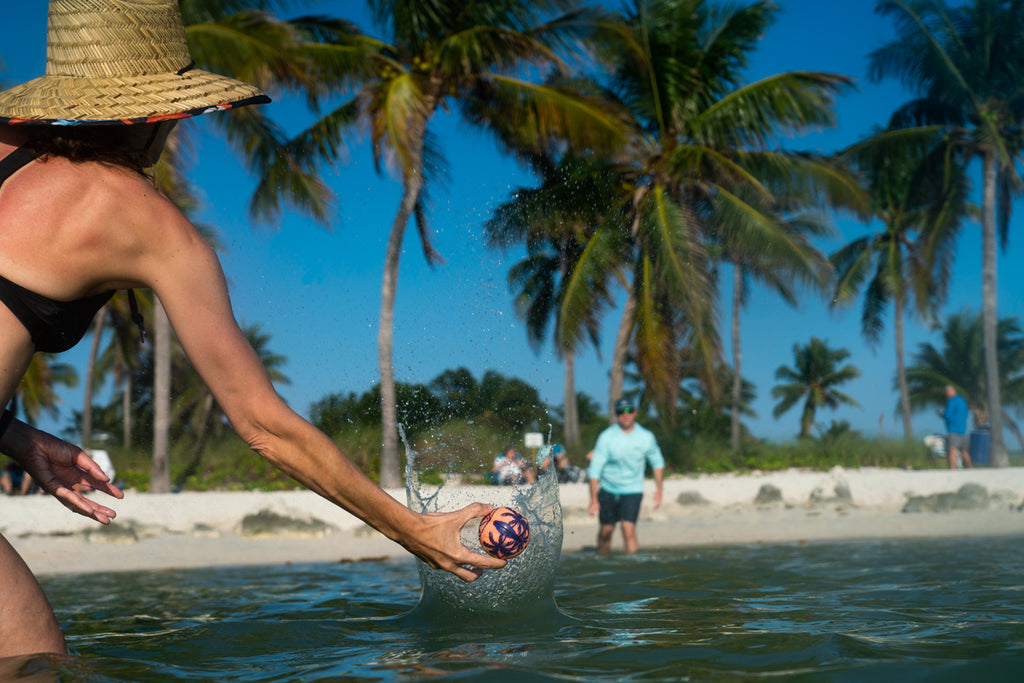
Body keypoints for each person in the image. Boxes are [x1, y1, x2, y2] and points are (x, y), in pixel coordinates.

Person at [0, 0, 503, 658]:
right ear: (164, 110)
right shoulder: (144, 222)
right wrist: (414, 530)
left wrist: (14, 434)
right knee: (35, 664)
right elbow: (263, 426)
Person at [588, 398, 664, 554]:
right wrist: (593, 499)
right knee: (606, 531)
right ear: (616, 415)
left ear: (635, 412)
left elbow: (657, 463)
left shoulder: (646, 436)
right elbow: (594, 469)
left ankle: (633, 570)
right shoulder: (606, 437)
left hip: (632, 489)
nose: (625, 415)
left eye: (629, 411)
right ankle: (602, 560)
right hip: (608, 489)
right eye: (621, 412)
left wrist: (659, 490)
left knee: (628, 529)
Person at [939, 385, 972, 470]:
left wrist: (942, 415)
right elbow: (965, 414)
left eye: (946, 393)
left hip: (953, 429)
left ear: (949, 392)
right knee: (964, 451)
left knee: (952, 450)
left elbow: (948, 415)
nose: (946, 395)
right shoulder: (962, 401)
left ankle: (952, 469)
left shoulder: (951, 401)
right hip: (963, 429)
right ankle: (970, 468)